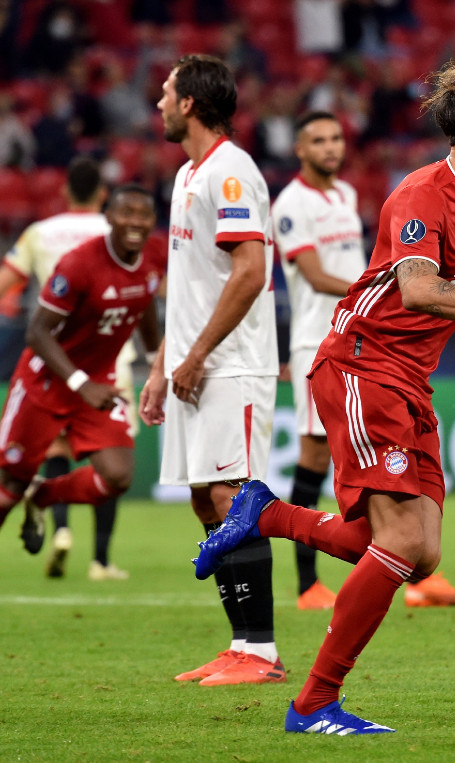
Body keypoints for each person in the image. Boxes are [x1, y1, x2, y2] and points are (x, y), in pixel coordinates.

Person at [194, 60, 455, 735]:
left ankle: (267, 514)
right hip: (361, 363)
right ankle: (315, 702)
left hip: (407, 377)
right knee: (401, 540)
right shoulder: (419, 193)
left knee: (420, 554)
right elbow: (417, 288)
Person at [272, 110, 455, 611]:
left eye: (336, 138)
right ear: (300, 149)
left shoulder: (344, 195)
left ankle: (417, 570)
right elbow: (316, 275)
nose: (330, 147)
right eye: (318, 140)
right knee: (314, 457)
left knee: (388, 460)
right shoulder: (291, 203)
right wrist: (391, 288)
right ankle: (306, 586)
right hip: (321, 337)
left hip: (370, 336)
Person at [140, 55, 284, 687]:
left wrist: (196, 356)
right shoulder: (186, 175)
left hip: (231, 367)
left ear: (191, 103)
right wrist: (161, 363)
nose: (160, 105)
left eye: (167, 94)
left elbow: (252, 272)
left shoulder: (231, 172)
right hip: (194, 364)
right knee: (206, 500)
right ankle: (240, 644)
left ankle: (263, 653)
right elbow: (191, 286)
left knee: (232, 498)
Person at [0, 186, 162, 554]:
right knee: (8, 488)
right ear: (108, 217)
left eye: (144, 214)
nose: (135, 222)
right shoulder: (79, 264)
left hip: (98, 381)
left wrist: (156, 363)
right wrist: (79, 383)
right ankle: (26, 489)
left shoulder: (153, 258)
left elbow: (146, 300)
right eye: (126, 213)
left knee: (118, 476)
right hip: (46, 381)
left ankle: (43, 495)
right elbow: (37, 332)